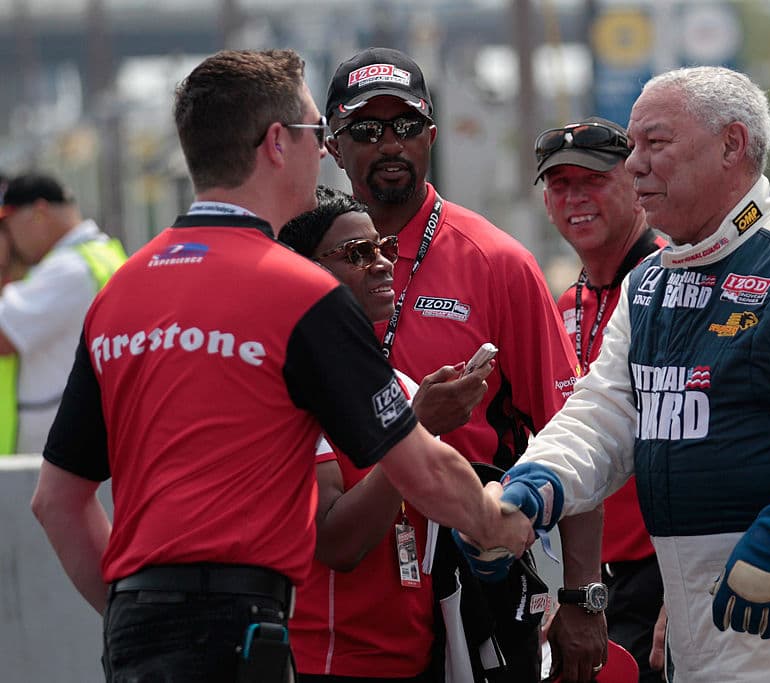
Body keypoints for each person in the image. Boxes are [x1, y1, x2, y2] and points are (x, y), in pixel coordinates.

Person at [29, 49, 532, 683]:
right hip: (245, 628)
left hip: (134, 629)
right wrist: (496, 523)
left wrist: (132, 616)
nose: (324, 152)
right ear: (276, 143)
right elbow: (421, 466)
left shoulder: (121, 291)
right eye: (316, 134)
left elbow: (57, 502)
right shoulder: (300, 292)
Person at [490, 66, 770, 683]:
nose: (634, 165)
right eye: (632, 147)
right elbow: (605, 413)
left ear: (732, 145)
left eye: (655, 144)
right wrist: (532, 487)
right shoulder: (650, 281)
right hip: (688, 609)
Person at [323, 47, 582, 681]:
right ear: (333, 145)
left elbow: (575, 434)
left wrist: (582, 595)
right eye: (366, 129)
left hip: (476, 578)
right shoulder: (301, 265)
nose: (390, 144)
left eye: (406, 126)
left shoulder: (497, 262)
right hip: (345, 590)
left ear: (431, 137)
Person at [278, 186, 493, 682]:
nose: (380, 264)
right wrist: (416, 429)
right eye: (357, 254)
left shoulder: (400, 385)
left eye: (383, 248)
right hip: (328, 667)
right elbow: (336, 542)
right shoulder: (296, 390)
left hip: (415, 661)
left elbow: (453, 503)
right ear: (306, 269)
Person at [534, 116, 668, 683]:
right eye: (559, 185)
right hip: (591, 579)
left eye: (592, 180)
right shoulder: (569, 301)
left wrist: (690, 590)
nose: (575, 198)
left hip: (669, 572)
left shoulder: (676, 282)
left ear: (634, 182)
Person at [0, 173, 126, 454]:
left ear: (39, 213)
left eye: (8, 225)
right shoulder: (97, 254)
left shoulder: (68, 269)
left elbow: (4, 336)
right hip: (80, 433)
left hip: (57, 446)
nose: (9, 238)